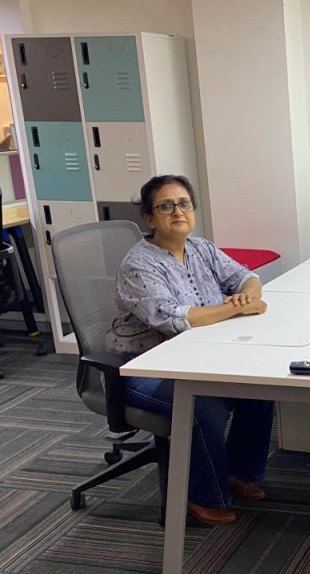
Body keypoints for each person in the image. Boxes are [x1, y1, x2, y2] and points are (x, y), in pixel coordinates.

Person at [107, 174, 275, 526]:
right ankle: (201, 495)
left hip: (201, 354)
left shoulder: (201, 248)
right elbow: (174, 319)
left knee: (260, 389)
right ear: (150, 218)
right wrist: (236, 308)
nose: (177, 211)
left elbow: (247, 277)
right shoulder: (140, 264)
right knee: (202, 405)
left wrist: (249, 296)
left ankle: (236, 472)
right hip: (145, 367)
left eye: (183, 203)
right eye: (165, 206)